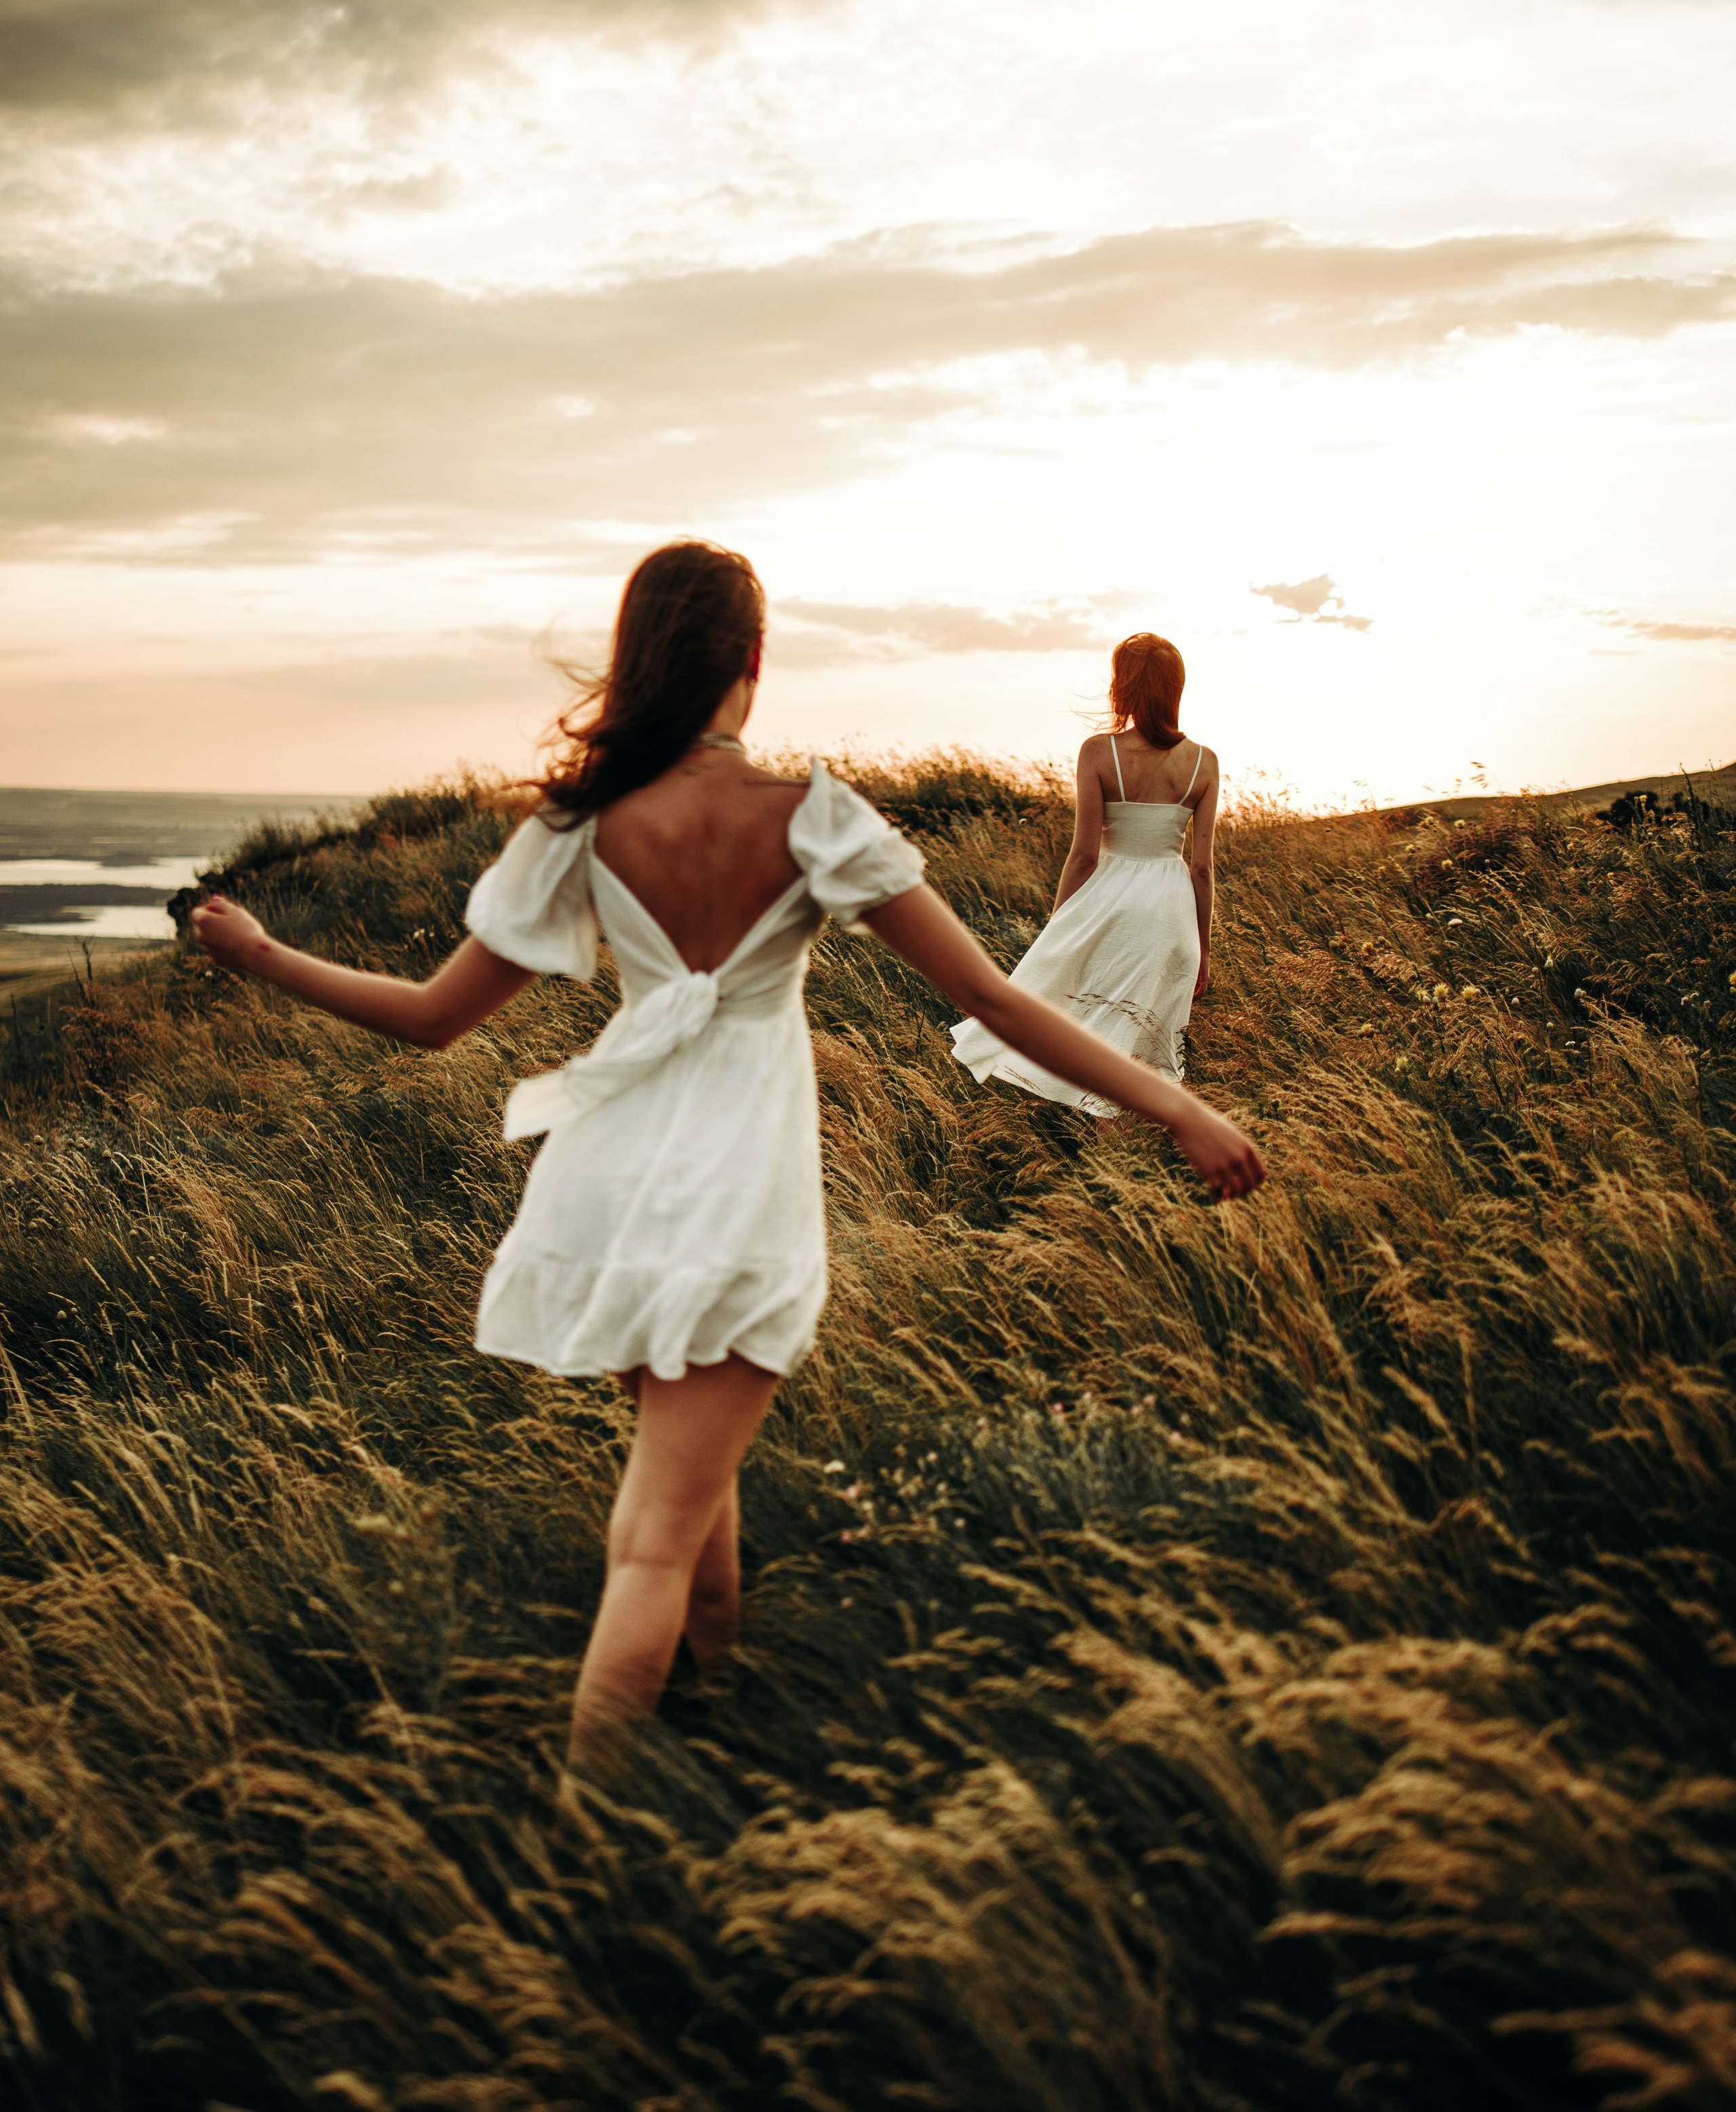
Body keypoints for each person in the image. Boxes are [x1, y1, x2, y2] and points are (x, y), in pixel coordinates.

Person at [192, 548, 1263, 1763]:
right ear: (752, 664)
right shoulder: (813, 818)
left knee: (694, 1493)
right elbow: (996, 1000)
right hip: (736, 1185)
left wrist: (269, 954)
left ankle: (722, 1704)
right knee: (653, 1533)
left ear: (642, 658)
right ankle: (582, 1853)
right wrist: (1172, 1104)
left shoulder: (580, 821)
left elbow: (433, 1014)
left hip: (609, 1176)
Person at [950, 633, 1217, 1114]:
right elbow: (1201, 867)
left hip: (1110, 905)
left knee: (1089, 1027)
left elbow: (1084, 857)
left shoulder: (1099, 752)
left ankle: (1108, 1157)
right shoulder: (1204, 762)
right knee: (1148, 1043)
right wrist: (1204, 948)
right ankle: (1136, 1160)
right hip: (1171, 914)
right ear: (1177, 688)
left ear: (1124, 687)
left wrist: (1059, 926)